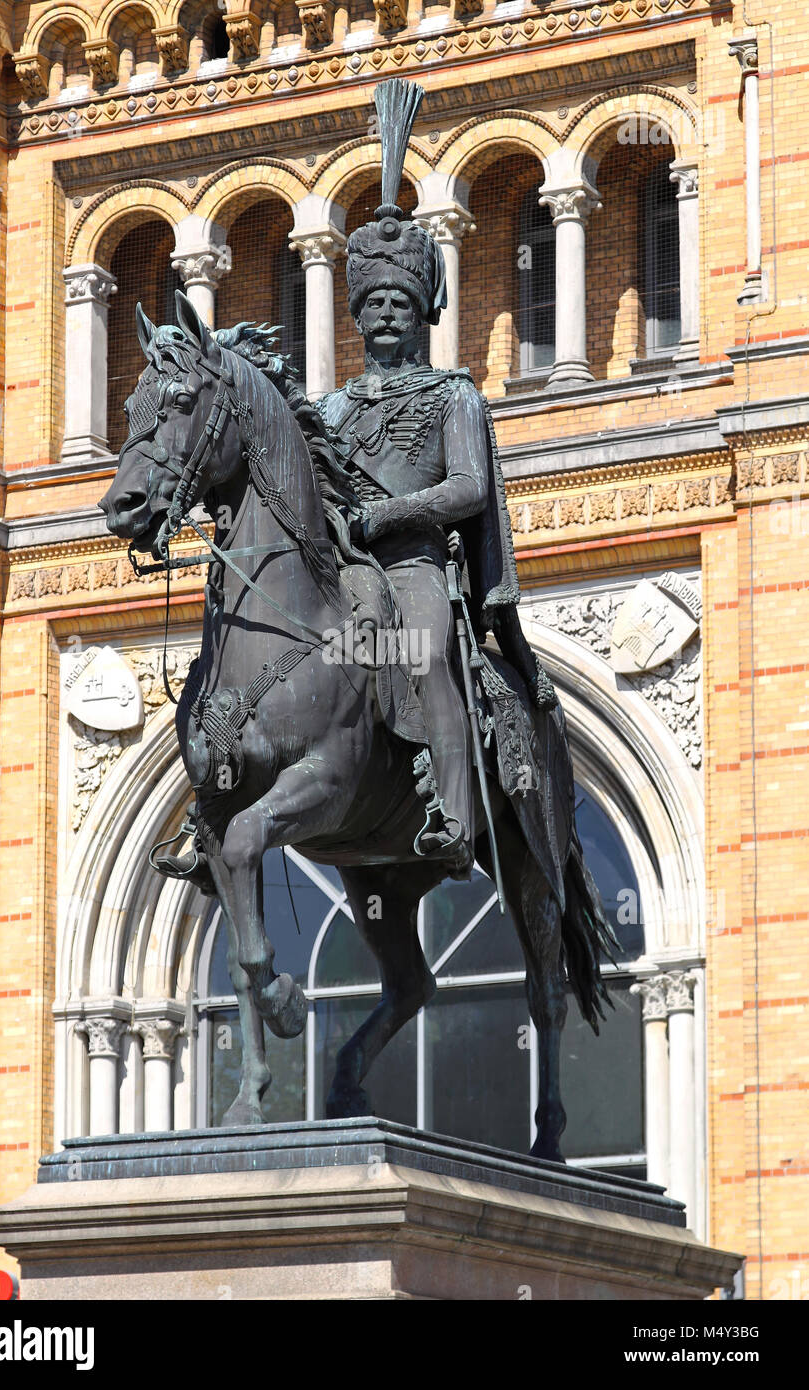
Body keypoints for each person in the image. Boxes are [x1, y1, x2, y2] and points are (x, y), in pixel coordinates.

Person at [317, 80, 554, 876]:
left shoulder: (454, 394)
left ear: (420, 312)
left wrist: (388, 519)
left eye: (399, 302)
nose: (385, 314)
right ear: (355, 314)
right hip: (345, 578)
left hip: (415, 565)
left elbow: (468, 491)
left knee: (422, 653)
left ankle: (452, 810)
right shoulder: (333, 406)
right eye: (373, 302)